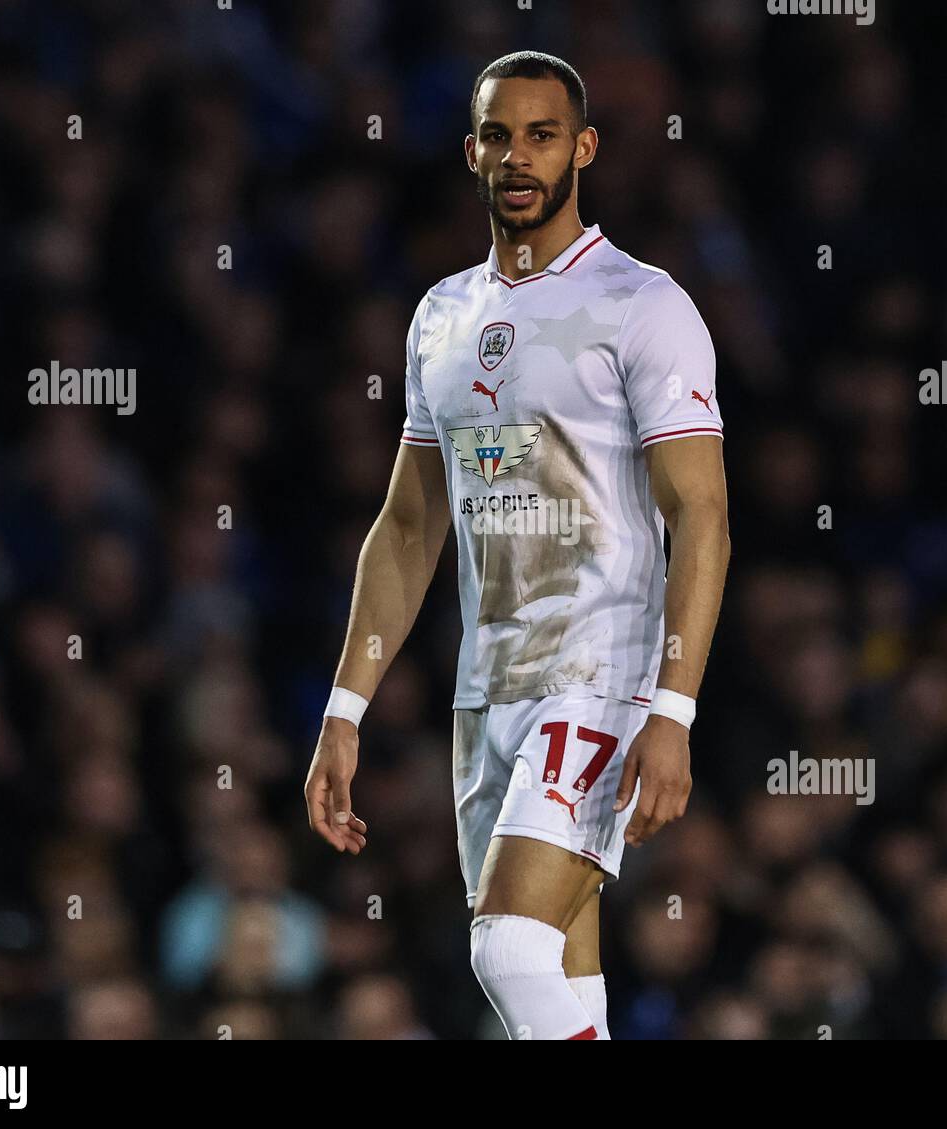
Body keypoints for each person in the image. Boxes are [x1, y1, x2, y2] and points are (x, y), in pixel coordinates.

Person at [304, 50, 730, 1040]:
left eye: (541, 133)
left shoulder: (643, 303)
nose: (517, 154)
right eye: (498, 134)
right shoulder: (442, 316)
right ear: (471, 152)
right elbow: (409, 523)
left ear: (582, 147)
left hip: (601, 668)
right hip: (486, 684)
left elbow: (701, 514)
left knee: (505, 946)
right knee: (564, 983)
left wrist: (672, 709)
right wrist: (344, 707)